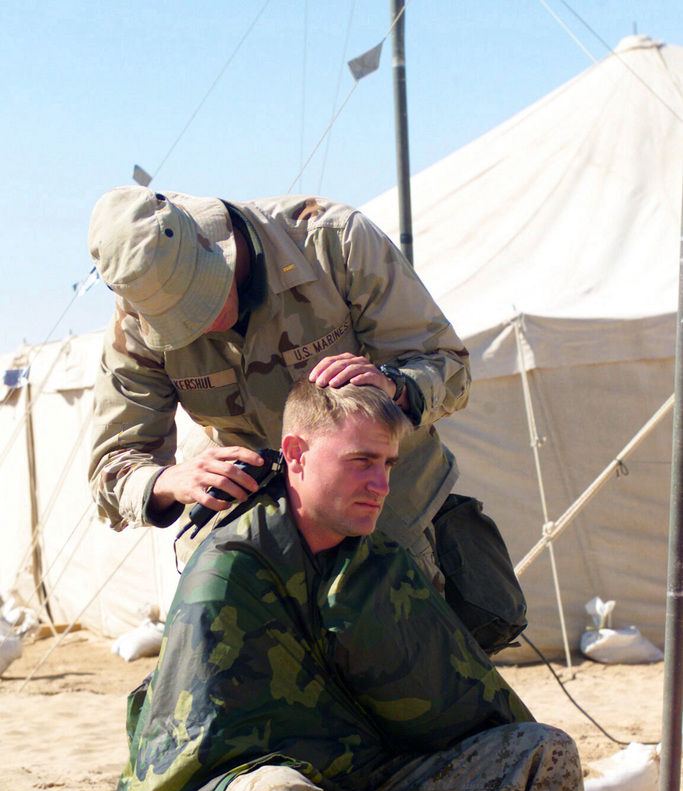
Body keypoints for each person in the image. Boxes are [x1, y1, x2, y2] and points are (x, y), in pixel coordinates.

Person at [73, 382, 622, 791]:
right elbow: (185, 766)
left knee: (542, 755)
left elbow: (460, 701)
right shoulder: (227, 573)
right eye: (360, 460)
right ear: (297, 454)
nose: (381, 484)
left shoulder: (380, 565)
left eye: (388, 464)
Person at [86, 185, 472, 575]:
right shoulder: (135, 324)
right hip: (254, 546)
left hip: (384, 520)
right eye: (180, 322)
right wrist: (167, 481)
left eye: (203, 296)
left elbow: (450, 368)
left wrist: (395, 386)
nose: (203, 325)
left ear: (218, 246)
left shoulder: (332, 242)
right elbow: (112, 470)